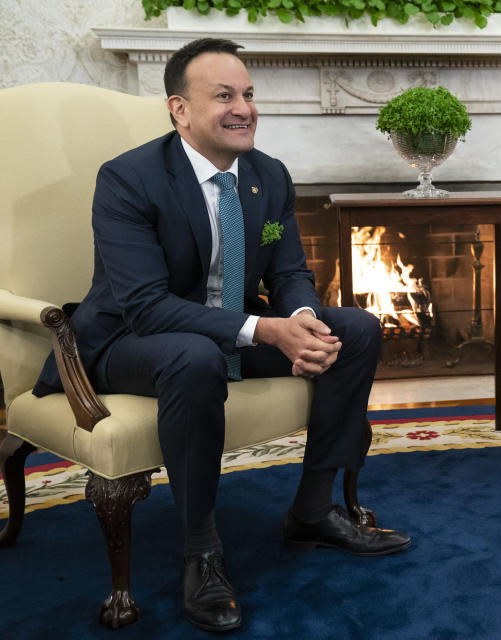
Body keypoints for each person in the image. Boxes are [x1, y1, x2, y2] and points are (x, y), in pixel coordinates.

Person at [32, 38, 411, 632]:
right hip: (125, 342)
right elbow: (145, 306)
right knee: (192, 356)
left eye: (250, 94)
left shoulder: (268, 174)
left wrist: (304, 321)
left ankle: (312, 512)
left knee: (354, 328)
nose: (245, 108)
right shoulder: (128, 179)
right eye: (225, 96)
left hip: (225, 331)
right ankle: (200, 553)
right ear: (179, 109)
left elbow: (287, 272)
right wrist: (266, 329)